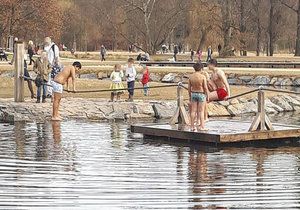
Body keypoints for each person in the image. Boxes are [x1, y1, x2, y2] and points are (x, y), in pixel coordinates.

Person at [188, 62, 209, 131]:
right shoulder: (203, 77)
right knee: (201, 111)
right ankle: (202, 126)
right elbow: (205, 88)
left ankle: (192, 126)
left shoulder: (191, 77)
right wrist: (207, 95)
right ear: (201, 69)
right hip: (201, 94)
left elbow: (189, 88)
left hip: (193, 94)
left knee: (193, 111)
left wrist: (189, 96)